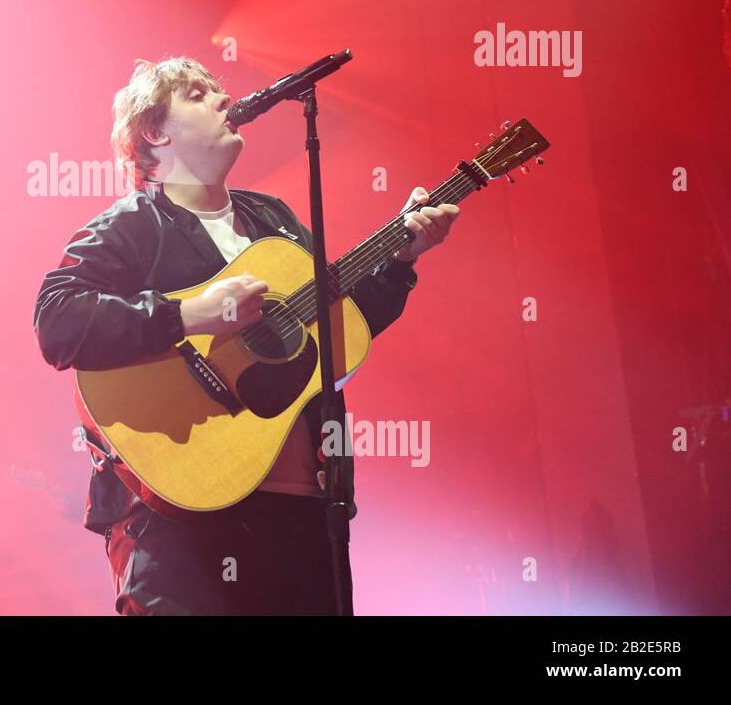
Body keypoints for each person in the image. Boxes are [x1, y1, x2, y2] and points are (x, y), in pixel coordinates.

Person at [32, 55, 459, 614]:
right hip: (180, 515)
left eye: (219, 89)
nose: (223, 100)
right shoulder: (132, 224)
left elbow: (339, 331)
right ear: (155, 132)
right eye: (197, 93)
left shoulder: (272, 220)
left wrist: (401, 260)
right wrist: (189, 314)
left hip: (304, 511)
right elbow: (57, 319)